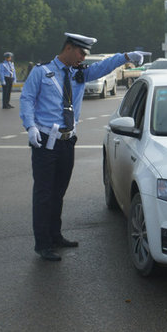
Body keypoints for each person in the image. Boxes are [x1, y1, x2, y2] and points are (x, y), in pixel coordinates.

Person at [20, 32, 144, 262]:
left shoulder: (78, 73)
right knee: (44, 195)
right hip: (46, 141)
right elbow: (26, 99)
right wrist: (30, 126)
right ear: (68, 48)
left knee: (59, 192)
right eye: (81, 52)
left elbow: (104, 66)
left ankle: (55, 236)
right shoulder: (41, 72)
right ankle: (43, 243)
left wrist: (125, 56)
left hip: (67, 142)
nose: (83, 57)